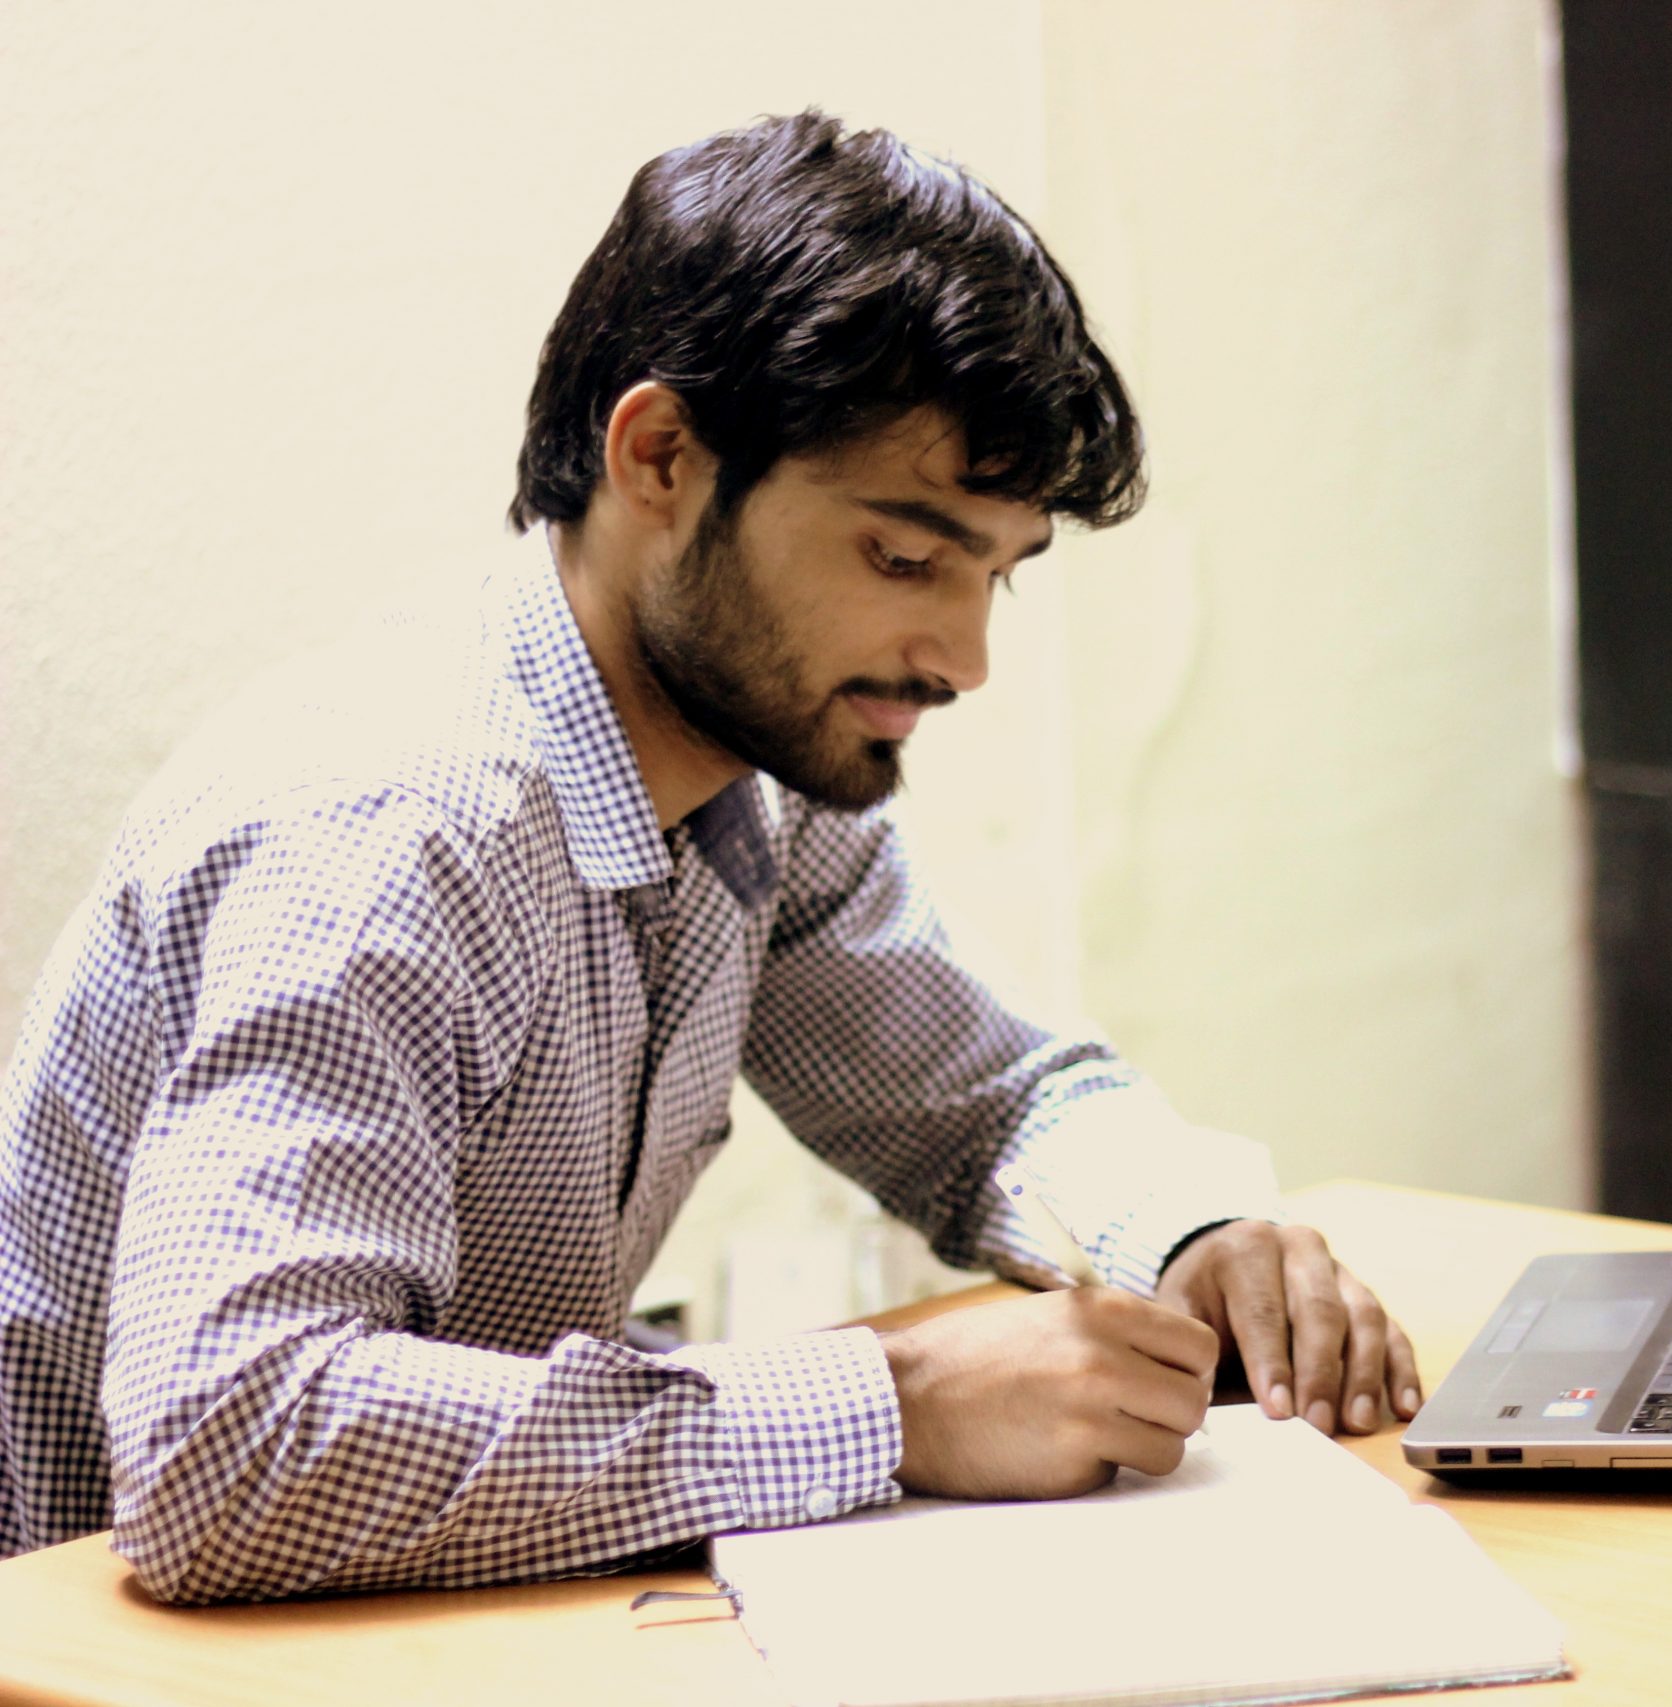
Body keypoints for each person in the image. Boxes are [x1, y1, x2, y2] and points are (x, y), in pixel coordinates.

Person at [0, 110, 1421, 1603]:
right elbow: (232, 1449)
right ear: (661, 456)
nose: (966, 656)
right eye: (904, 556)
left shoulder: (755, 774)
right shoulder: (392, 834)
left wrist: (1188, 1232)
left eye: (996, 574)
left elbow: (986, 1102)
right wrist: (898, 1403)